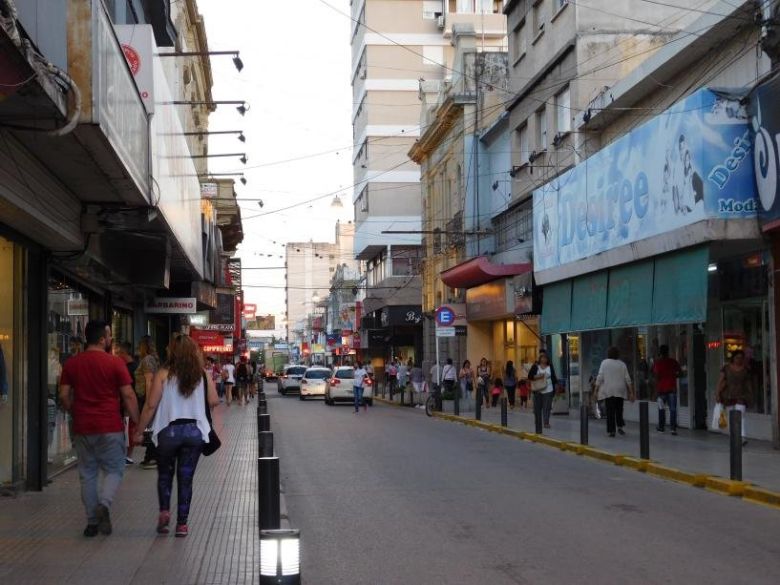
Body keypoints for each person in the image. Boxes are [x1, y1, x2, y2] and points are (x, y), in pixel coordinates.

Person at [58, 320, 139, 537]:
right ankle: (104, 503)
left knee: (87, 474)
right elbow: (129, 395)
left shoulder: (72, 364)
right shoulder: (115, 363)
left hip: (83, 426)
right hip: (110, 425)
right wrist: (137, 422)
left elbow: (64, 395)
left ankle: (92, 522)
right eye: (109, 336)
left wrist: (74, 411)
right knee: (114, 469)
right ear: (102, 339)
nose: (111, 339)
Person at [133, 335, 219, 538]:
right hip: (193, 432)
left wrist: (139, 431)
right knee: (186, 478)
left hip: (168, 432)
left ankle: (164, 512)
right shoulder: (202, 374)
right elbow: (214, 400)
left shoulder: (163, 373)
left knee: (165, 475)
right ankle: (182, 524)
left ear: (172, 351)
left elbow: (151, 405)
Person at [595, 347, 635, 438]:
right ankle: (620, 426)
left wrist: (595, 390)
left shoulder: (604, 363)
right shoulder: (622, 364)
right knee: (619, 409)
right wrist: (631, 392)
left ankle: (611, 430)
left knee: (610, 411)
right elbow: (627, 379)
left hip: (609, 390)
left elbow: (600, 377)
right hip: (620, 390)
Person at [716, 350, 752, 444]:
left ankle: (743, 437)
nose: (739, 360)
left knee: (741, 416)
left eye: (741, 358)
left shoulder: (745, 370)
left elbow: (748, 384)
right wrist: (717, 394)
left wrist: (750, 395)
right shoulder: (726, 368)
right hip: (728, 396)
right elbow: (720, 381)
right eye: (737, 358)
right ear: (733, 358)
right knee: (731, 418)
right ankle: (734, 437)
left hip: (741, 396)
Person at [136, 338, 160, 469]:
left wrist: (148, 400)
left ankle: (152, 456)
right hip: (148, 396)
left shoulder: (147, 360)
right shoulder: (154, 359)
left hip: (146, 396)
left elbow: (149, 380)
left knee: (149, 425)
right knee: (150, 426)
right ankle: (149, 455)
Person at [115, 342, 138, 465]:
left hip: (127, 404)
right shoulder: (133, 366)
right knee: (127, 428)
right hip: (125, 404)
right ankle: (127, 455)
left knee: (128, 429)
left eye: (119, 353)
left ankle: (128, 455)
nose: (117, 355)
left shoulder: (130, 368)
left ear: (124, 353)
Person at [652, 345, 681, 435]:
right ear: (668, 352)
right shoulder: (673, 362)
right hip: (672, 388)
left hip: (661, 390)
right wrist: (673, 376)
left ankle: (661, 427)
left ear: (660, 352)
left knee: (661, 408)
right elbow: (681, 373)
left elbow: (656, 376)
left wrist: (655, 390)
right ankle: (673, 428)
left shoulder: (658, 363)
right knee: (673, 409)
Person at [528, 353, 557, 430]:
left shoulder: (550, 366)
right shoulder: (535, 367)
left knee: (547, 407)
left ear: (548, 359)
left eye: (545, 358)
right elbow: (530, 376)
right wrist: (540, 376)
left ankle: (546, 422)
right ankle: (537, 421)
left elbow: (553, 377)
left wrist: (556, 387)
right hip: (538, 390)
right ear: (540, 359)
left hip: (548, 390)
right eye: (542, 358)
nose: (544, 359)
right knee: (537, 407)